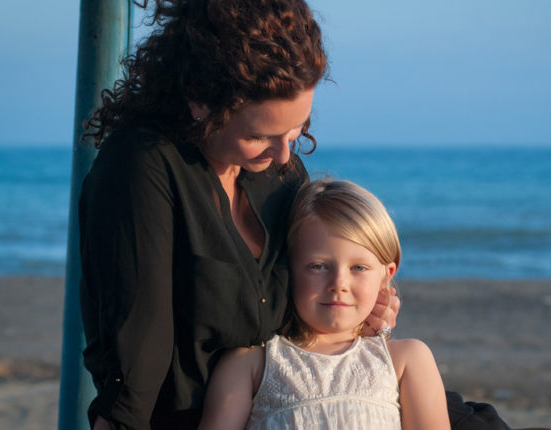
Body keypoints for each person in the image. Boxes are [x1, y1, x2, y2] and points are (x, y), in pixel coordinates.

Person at [78, 1, 399, 429]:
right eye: (258, 135)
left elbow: (312, 300)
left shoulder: (280, 172)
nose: (285, 154)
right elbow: (137, 355)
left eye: (296, 129)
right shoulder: (143, 166)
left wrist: (365, 310)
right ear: (201, 103)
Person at [198, 179, 452, 430]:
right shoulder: (251, 364)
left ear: (387, 274)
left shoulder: (405, 360)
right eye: (318, 266)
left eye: (359, 267)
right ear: (288, 269)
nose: (338, 283)